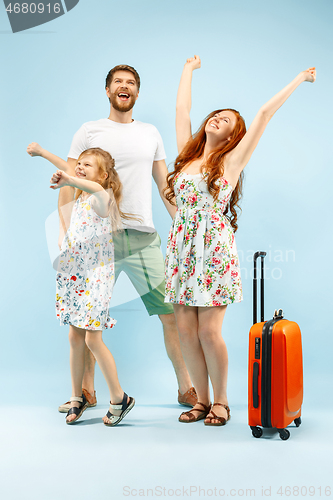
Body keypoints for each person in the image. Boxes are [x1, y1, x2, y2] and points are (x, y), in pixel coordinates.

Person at [164, 55, 316, 425]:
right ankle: (200, 402)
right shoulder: (187, 157)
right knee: (185, 330)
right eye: (215, 114)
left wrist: (299, 77)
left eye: (227, 119)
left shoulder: (231, 161)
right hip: (182, 250)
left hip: (213, 250)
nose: (217, 118)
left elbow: (263, 114)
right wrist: (188, 68)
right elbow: (182, 109)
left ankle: (222, 402)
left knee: (208, 330)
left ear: (234, 135)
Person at [56, 64, 197, 412]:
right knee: (85, 319)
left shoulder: (150, 133)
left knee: (171, 314)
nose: (124, 86)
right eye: (118, 81)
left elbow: (165, 187)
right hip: (95, 241)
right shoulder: (88, 131)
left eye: (131, 82)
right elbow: (70, 184)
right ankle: (86, 392)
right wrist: (66, 235)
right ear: (108, 91)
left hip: (142, 238)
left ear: (136, 93)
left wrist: (186, 227)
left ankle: (186, 387)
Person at [27, 143, 135, 425]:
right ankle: (77, 396)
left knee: (92, 338)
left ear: (101, 176)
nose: (80, 167)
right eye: (80, 164)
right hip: (73, 274)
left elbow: (91, 187)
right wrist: (41, 153)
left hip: (96, 278)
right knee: (74, 338)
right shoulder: (81, 199)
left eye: (88, 165)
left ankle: (119, 398)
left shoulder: (101, 198)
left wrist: (71, 179)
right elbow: (67, 167)